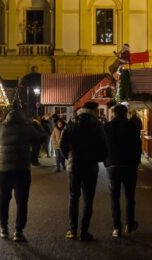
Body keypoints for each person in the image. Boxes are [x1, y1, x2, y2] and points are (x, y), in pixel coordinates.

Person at [0, 107, 48, 242]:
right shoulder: (27, 128)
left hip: (4, 169)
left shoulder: (1, 127)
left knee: (4, 199)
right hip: (21, 169)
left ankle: (3, 228)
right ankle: (18, 231)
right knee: (22, 201)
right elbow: (42, 138)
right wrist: (37, 125)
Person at [60, 101, 107, 241]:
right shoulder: (97, 125)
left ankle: (72, 229)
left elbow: (63, 144)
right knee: (88, 200)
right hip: (90, 166)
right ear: (93, 110)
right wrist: (98, 158)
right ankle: (84, 231)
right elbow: (104, 147)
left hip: (74, 166)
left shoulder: (72, 123)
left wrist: (69, 157)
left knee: (74, 197)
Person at [103, 104, 141, 238]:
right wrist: (136, 163)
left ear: (114, 113)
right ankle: (129, 224)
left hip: (112, 165)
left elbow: (103, 146)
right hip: (129, 165)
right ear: (126, 113)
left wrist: (106, 161)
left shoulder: (107, 127)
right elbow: (138, 146)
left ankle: (116, 228)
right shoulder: (132, 127)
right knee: (130, 196)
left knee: (114, 197)